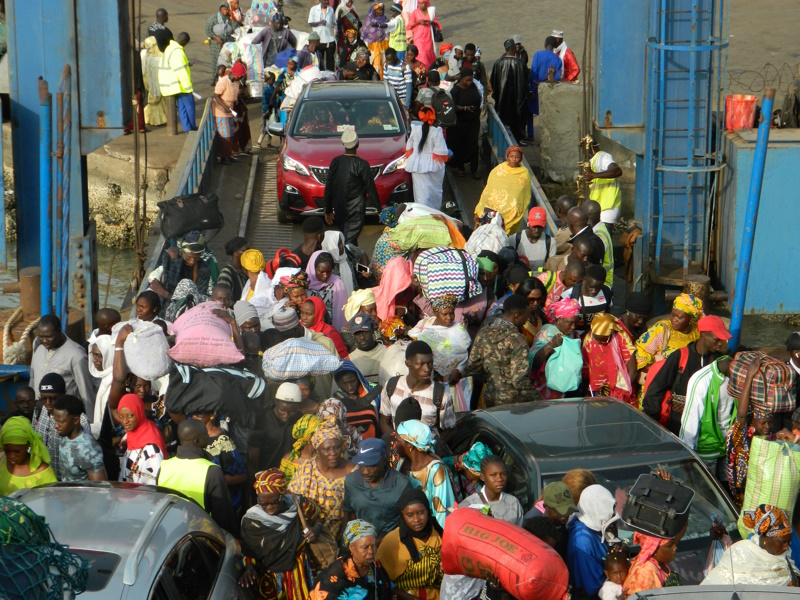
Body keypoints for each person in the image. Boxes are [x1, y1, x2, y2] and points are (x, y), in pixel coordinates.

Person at [239, 469, 325, 598]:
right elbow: (250, 550)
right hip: (269, 577)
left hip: (299, 572)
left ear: (282, 495)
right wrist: (249, 567)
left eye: (274, 502)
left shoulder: (299, 505)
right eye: (263, 504)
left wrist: (316, 529)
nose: (269, 508)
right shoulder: (252, 520)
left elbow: (320, 515)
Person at [642, 314, 730, 435]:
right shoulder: (679, 357)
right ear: (704, 336)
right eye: (717, 339)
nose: (721, 344)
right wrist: (654, 424)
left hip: (707, 429)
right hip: (677, 425)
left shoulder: (719, 361)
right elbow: (656, 389)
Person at [158, 419, 238, 536]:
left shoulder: (164, 466)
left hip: (172, 534)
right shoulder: (211, 470)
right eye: (206, 434)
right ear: (197, 441)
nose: (209, 437)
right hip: (201, 536)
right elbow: (223, 516)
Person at [288, 417, 356, 540]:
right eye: (327, 449)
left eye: (337, 447)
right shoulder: (307, 469)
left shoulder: (353, 472)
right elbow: (293, 499)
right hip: (309, 536)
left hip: (342, 538)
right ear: (317, 449)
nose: (333, 452)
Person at [469, 294, 540, 407]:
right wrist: (539, 400)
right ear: (517, 316)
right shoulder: (517, 340)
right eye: (525, 317)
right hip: (513, 404)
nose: (526, 322)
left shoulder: (484, 333)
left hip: (490, 397)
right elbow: (520, 381)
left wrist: (492, 380)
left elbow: (473, 367)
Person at [702, 504, 796, 586]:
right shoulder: (741, 554)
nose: (787, 547)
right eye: (782, 542)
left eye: (788, 541)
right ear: (766, 538)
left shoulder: (784, 556)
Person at [376, 488, 444, 598]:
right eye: (410, 515)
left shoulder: (438, 534)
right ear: (402, 515)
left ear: (428, 510)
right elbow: (382, 580)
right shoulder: (392, 542)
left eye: (421, 513)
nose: (416, 519)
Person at [379, 341, 456, 436]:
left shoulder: (441, 396)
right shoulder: (391, 386)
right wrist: (397, 443)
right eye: (421, 364)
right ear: (408, 364)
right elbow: (384, 421)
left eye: (430, 364)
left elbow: (449, 431)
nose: (427, 369)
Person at [726, 357, 774, 507]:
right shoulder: (742, 435)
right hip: (741, 496)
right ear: (753, 421)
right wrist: (749, 376)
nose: (767, 427)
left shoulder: (767, 438)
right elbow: (741, 414)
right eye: (763, 423)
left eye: (769, 423)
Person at [679, 355, 737, 480]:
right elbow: (690, 420)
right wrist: (688, 456)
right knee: (706, 491)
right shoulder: (701, 380)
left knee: (726, 489)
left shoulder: (737, 379)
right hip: (707, 451)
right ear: (734, 363)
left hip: (727, 447)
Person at [343, 438, 414, 536]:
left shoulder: (401, 484)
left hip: (393, 542)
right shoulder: (351, 481)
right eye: (361, 466)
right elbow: (348, 511)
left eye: (371, 466)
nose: (365, 472)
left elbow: (408, 519)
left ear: (384, 460)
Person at [309, 520, 394, 599]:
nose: (371, 552)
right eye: (365, 547)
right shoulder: (333, 577)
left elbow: (388, 590)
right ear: (352, 548)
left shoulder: (375, 568)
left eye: (373, 546)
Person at [324, 130, 380, 247]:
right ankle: (350, 263)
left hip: (339, 209)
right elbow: (371, 189)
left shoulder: (335, 162)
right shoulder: (362, 164)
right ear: (357, 144)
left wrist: (328, 210)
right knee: (349, 243)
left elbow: (328, 186)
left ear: (343, 144)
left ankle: (351, 262)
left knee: (347, 240)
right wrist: (379, 210)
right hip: (356, 211)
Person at [30, 315, 95, 417]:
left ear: (59, 331)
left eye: (49, 337)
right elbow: (33, 378)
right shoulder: (37, 345)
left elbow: (86, 393)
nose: (44, 341)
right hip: (40, 411)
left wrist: (90, 424)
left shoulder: (76, 355)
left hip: (64, 415)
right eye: (41, 337)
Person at [395, 419, 455, 528]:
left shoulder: (436, 471)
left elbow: (442, 513)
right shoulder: (403, 464)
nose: (395, 445)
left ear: (410, 446)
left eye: (398, 441)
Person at [567, 484, 621, 599]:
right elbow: (592, 588)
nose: (612, 513)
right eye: (608, 509)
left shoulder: (593, 523)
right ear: (598, 510)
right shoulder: (582, 544)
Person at [34, 373, 90, 479]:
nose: (48, 403)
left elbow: (87, 456)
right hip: (45, 480)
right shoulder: (39, 410)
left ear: (64, 394)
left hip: (69, 484)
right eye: (43, 398)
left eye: (53, 398)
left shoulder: (78, 419)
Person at [191, 411, 248, 515]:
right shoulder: (189, 437)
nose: (194, 416)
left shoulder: (223, 441)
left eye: (200, 414)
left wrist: (212, 481)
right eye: (192, 413)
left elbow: (241, 476)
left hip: (222, 505)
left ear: (211, 415)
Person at [408, 294, 472, 386]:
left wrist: (458, 371)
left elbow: (467, 356)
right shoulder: (424, 325)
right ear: (436, 313)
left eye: (451, 313)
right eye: (445, 314)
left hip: (451, 380)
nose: (449, 318)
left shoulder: (459, 330)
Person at [635, 293, 703, 375]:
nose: (674, 320)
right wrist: (661, 372)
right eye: (672, 315)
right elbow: (640, 351)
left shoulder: (698, 332)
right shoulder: (662, 329)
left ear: (691, 318)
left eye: (679, 317)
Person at [530, 298, 581, 399]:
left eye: (576, 323)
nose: (573, 327)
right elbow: (533, 360)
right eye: (570, 323)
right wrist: (551, 345)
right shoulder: (547, 333)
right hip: (546, 389)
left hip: (568, 388)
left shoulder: (573, 335)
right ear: (559, 319)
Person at [248, 382, 302, 473]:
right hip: (265, 476)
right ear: (276, 402)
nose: (286, 415)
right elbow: (253, 459)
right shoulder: (262, 420)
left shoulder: (300, 420)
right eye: (282, 410)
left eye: (292, 411)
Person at [582, 313, 635, 404]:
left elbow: (633, 369)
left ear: (610, 334)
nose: (598, 342)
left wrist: (624, 392)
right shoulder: (588, 339)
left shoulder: (621, 337)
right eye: (595, 338)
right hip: (597, 392)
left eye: (603, 340)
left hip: (620, 391)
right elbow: (585, 368)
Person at [52, 395, 106, 482]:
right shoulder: (65, 433)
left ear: (76, 420)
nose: (56, 426)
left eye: (61, 422)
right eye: (55, 420)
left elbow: (100, 488)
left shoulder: (89, 450)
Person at [405, 106, 449, 209]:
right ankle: (434, 214)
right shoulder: (437, 131)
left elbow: (409, 148)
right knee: (435, 194)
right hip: (434, 166)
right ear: (434, 117)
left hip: (416, 165)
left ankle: (422, 216)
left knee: (420, 195)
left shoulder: (415, 129)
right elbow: (441, 152)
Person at [117, 393, 166, 484]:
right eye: (121, 416)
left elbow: (152, 486)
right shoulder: (132, 436)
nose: (125, 421)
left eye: (130, 415)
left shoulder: (151, 448)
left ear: (139, 413)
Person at [0, 417, 58, 495]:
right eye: (7, 451)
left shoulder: (43, 472)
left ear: (27, 445)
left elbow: (52, 499)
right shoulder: (1, 464)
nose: (12, 456)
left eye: (17, 451)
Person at [460, 455, 524, 526]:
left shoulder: (514, 503)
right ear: (482, 477)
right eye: (493, 475)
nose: (499, 479)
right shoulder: (469, 505)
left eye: (503, 474)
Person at [523, 480, 577, 560]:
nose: (565, 515)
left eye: (568, 509)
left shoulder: (561, 523)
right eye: (560, 511)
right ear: (546, 506)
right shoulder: (533, 527)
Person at [624, 525, 685, 594]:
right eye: (670, 546)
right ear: (654, 549)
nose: (675, 548)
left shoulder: (658, 563)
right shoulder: (645, 573)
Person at [156, 30, 195, 132]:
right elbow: (181, 71)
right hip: (179, 85)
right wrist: (189, 88)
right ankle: (192, 127)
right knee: (189, 107)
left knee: (182, 108)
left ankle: (187, 128)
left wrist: (187, 63)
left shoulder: (169, 48)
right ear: (184, 41)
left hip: (173, 85)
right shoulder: (178, 52)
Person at [490, 39, 528, 144]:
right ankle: (518, 139)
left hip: (502, 98)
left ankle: (503, 139)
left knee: (502, 118)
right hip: (518, 99)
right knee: (517, 118)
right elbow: (525, 81)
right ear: (513, 49)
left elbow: (493, 82)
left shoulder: (498, 63)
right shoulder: (520, 63)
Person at [565, 263, 613, 337]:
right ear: (584, 279)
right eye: (591, 287)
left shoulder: (607, 292)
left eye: (599, 287)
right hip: (574, 337)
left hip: (597, 337)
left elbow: (608, 314)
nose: (594, 291)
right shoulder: (569, 293)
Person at [213, 61, 246, 164]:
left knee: (231, 133)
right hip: (221, 111)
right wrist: (224, 106)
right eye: (240, 77)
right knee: (225, 135)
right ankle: (223, 157)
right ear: (236, 75)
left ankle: (228, 155)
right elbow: (216, 95)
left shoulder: (235, 83)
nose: (240, 79)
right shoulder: (223, 82)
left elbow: (236, 95)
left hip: (230, 110)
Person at [307, 251, 349, 330]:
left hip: (329, 330)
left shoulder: (337, 284)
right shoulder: (305, 284)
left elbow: (341, 313)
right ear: (313, 268)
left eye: (329, 271)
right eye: (321, 272)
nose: (325, 275)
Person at [584, 142, 623, 226]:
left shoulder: (602, 157)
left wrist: (594, 175)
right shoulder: (593, 161)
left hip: (608, 208)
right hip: (600, 208)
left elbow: (617, 171)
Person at [528, 36, 562, 129]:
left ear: (546, 44)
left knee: (530, 111)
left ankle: (531, 134)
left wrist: (532, 89)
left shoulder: (537, 55)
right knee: (547, 114)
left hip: (536, 88)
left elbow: (533, 72)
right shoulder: (558, 60)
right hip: (549, 90)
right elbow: (558, 78)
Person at [280, 413, 321, 483]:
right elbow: (283, 487)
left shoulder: (328, 457)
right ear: (307, 437)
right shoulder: (289, 460)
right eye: (318, 433)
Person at [348, 314, 386, 386]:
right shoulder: (350, 361)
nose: (362, 337)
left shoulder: (387, 352)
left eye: (365, 332)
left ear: (372, 329)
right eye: (357, 334)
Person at [206, 4, 236, 82]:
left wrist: (232, 18)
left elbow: (236, 29)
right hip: (216, 44)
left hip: (228, 43)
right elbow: (208, 30)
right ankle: (215, 79)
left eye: (227, 9)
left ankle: (225, 80)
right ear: (220, 9)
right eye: (223, 9)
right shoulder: (213, 18)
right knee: (216, 61)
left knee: (227, 61)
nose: (225, 11)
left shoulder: (230, 18)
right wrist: (216, 38)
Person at [407, 0, 440, 68]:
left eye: (422, 3)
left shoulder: (431, 11)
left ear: (426, 3)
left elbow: (436, 21)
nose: (420, 5)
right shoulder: (415, 12)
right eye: (419, 3)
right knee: (421, 54)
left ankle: (429, 70)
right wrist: (418, 22)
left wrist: (432, 23)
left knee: (429, 53)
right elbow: (409, 25)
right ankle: (423, 70)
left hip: (429, 37)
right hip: (419, 38)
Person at [216, 236, 249, 301]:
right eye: (245, 251)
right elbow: (222, 298)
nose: (249, 254)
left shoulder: (246, 272)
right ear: (236, 253)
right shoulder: (227, 273)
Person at [308, 0, 336, 71]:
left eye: (327, 0)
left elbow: (334, 22)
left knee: (330, 62)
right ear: (320, 0)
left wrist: (333, 25)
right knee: (320, 61)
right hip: (319, 41)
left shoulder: (331, 10)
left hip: (329, 40)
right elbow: (310, 23)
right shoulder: (314, 9)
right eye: (323, 0)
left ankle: (331, 77)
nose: (325, 2)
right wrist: (320, 22)